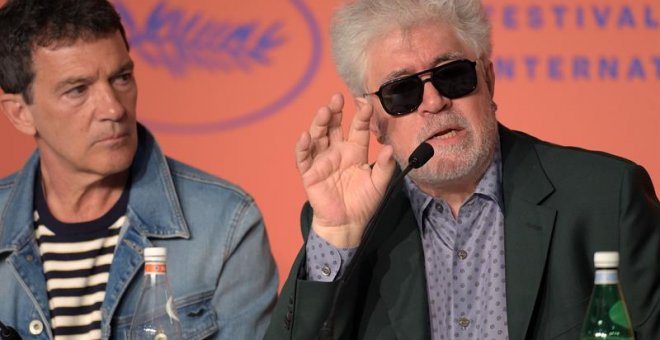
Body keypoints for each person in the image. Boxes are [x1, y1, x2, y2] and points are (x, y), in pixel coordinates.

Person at [266, 0, 660, 338]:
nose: (434, 102)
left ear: (487, 79)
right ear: (375, 119)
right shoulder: (356, 228)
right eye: (402, 91)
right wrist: (337, 237)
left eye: (452, 75)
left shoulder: (606, 198)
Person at [0, 0, 277, 339]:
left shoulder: (226, 224)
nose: (113, 108)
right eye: (77, 90)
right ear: (20, 113)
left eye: (122, 77)